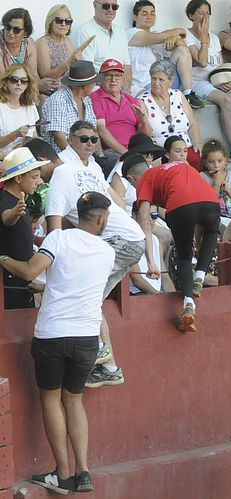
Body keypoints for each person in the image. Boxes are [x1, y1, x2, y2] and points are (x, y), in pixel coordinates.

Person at [0, 191, 114, 495]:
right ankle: (84, 471)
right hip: (88, 337)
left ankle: (62, 475)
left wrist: (3, 257)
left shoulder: (58, 238)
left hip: (52, 334)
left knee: (52, 401)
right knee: (74, 400)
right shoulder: (107, 252)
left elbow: (28, 271)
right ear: (102, 219)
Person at [46, 120, 151, 387]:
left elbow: (56, 223)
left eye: (95, 139)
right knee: (92, 300)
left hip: (121, 239)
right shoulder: (76, 170)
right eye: (85, 139)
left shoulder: (82, 169)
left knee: (86, 298)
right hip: (126, 239)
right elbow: (58, 219)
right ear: (70, 139)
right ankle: (110, 367)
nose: (91, 144)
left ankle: (101, 349)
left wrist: (51, 260)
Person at [127, 158, 219, 331]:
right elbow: (198, 213)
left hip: (180, 207)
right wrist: (201, 258)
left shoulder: (145, 179)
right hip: (210, 201)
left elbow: (144, 221)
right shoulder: (180, 165)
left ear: (132, 180)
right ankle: (199, 276)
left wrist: (151, 263)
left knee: (183, 256)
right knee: (212, 231)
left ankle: (188, 303)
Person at [184, 0, 231, 163]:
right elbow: (202, 62)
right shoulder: (186, 35)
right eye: (200, 13)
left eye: (207, 13)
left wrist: (226, 80)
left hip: (217, 81)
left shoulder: (214, 38)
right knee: (225, 100)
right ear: (190, 15)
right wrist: (202, 38)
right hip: (199, 81)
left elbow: (221, 65)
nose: (204, 17)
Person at [127, 0, 200, 106]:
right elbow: (161, 37)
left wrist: (175, 39)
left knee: (181, 50)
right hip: (146, 84)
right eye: (144, 13)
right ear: (135, 17)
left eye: (152, 13)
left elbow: (183, 45)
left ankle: (188, 94)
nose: (149, 16)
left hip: (166, 82)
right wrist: (177, 31)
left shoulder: (158, 34)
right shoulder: (131, 33)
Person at [1, 147, 48, 309]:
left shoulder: (18, 200)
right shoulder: (6, 201)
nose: (39, 182)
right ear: (19, 178)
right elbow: (7, 218)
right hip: (9, 281)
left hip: (20, 280)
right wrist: (15, 212)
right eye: (34, 177)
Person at [136, 60, 203, 168]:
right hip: (162, 151)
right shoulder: (142, 101)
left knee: (198, 158)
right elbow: (145, 135)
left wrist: (196, 142)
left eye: (161, 79)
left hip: (185, 148)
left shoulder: (178, 95)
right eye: (153, 78)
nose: (156, 82)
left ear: (170, 82)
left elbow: (192, 122)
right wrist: (143, 121)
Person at [90, 59, 151, 173]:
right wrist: (127, 153)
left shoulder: (130, 99)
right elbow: (101, 129)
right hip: (111, 151)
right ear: (100, 78)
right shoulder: (95, 98)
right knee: (137, 169)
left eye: (118, 75)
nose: (114, 80)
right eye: (108, 75)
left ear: (123, 79)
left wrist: (143, 120)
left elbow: (147, 134)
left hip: (135, 151)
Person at [71, 1, 132, 92]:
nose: (110, 10)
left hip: (119, 87)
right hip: (98, 87)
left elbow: (126, 67)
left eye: (114, 7)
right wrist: (111, 90)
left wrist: (126, 92)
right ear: (95, 5)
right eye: (106, 6)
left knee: (143, 98)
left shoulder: (121, 31)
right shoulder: (86, 31)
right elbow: (88, 71)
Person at [41, 60, 99, 154]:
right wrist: (75, 159)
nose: (94, 86)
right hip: (61, 157)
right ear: (84, 86)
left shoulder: (86, 100)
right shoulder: (58, 100)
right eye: (93, 83)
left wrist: (98, 154)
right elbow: (59, 138)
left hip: (84, 155)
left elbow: (93, 132)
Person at [35, 5, 89, 93]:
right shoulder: (42, 43)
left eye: (68, 21)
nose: (63, 24)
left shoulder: (67, 41)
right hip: (51, 91)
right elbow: (46, 75)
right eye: (59, 20)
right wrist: (69, 62)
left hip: (70, 88)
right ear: (50, 22)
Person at [1, 8, 49, 94]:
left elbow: (33, 75)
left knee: (43, 97)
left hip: (20, 86)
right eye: (7, 27)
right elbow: (3, 79)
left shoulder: (29, 44)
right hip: (4, 88)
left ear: (25, 32)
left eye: (16, 30)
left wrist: (42, 85)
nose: (11, 33)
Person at [0, 64, 39, 158]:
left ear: (27, 84)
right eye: (14, 79)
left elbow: (34, 135)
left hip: (25, 157)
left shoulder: (30, 105)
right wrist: (15, 134)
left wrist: (32, 140)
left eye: (24, 80)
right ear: (5, 82)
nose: (19, 83)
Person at [199, 138, 231, 224]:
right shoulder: (202, 177)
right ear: (205, 163)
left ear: (226, 161)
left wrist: (228, 191)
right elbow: (208, 204)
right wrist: (217, 182)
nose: (216, 165)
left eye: (220, 161)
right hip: (213, 219)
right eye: (211, 162)